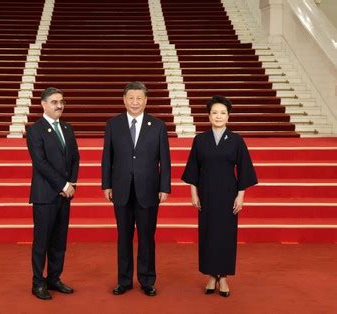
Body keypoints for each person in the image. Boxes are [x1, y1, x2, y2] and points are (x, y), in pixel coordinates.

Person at [181, 95, 257, 297]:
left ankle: (223, 277)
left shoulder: (236, 140)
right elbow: (192, 169)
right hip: (205, 194)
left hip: (227, 194)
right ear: (208, 116)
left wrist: (240, 196)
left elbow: (244, 170)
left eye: (222, 112)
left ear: (228, 116)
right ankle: (211, 276)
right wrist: (193, 194)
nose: (218, 116)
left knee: (225, 235)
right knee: (207, 234)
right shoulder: (200, 140)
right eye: (214, 112)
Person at [101, 81, 171, 297]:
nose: (135, 102)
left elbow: (165, 161)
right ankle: (124, 280)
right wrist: (106, 184)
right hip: (121, 189)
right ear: (124, 100)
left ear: (146, 100)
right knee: (123, 237)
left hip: (149, 189)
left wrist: (164, 187)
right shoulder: (113, 125)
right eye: (131, 98)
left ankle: (147, 280)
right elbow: (107, 158)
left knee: (147, 237)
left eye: (139, 98)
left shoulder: (158, 126)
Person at [26, 87, 80, 300]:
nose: (60, 105)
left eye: (62, 102)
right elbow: (40, 163)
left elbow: (76, 157)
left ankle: (54, 278)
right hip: (45, 195)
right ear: (44, 104)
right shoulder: (35, 130)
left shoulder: (67, 128)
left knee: (59, 241)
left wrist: (71, 183)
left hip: (65, 194)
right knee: (42, 241)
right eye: (55, 102)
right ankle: (38, 283)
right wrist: (63, 185)